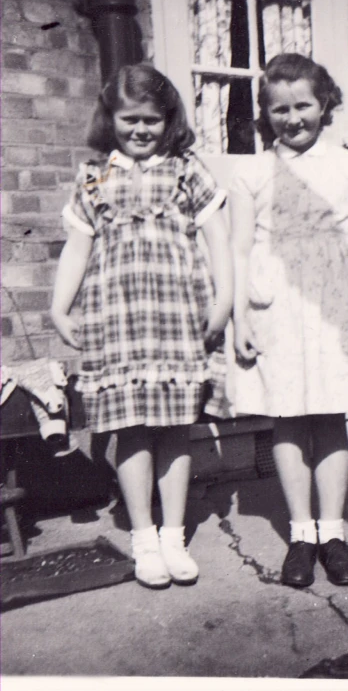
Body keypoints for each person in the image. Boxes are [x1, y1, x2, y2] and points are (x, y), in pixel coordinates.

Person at [51, 63, 233, 589]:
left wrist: (223, 301)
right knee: (130, 428)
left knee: (176, 427)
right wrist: (61, 308)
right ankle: (143, 536)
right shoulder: (95, 176)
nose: (140, 130)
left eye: (151, 120)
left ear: (168, 119)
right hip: (117, 319)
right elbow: (77, 248)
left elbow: (217, 239)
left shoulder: (186, 169)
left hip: (177, 316)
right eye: (129, 119)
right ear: (110, 119)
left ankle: (174, 535)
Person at [229, 53, 348, 588]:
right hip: (276, 305)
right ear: (265, 114)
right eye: (280, 109)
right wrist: (239, 319)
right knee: (289, 417)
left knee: (331, 416)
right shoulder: (250, 171)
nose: (293, 118)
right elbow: (239, 246)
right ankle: (301, 535)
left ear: (324, 105)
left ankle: (333, 534)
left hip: (336, 303)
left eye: (303, 106)